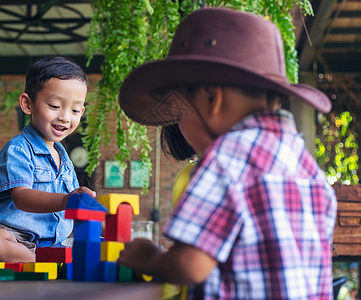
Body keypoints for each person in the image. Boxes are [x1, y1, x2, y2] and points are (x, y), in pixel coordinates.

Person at [117, 7, 337, 299]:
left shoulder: (225, 157)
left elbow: (191, 265)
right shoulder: (306, 165)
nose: (177, 123)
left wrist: (150, 258)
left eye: (179, 111)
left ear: (211, 99)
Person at [0, 57, 95, 264]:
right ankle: (44, 262)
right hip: (15, 237)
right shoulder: (18, 149)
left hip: (56, 242)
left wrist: (100, 216)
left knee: (105, 245)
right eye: (54, 106)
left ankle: (52, 260)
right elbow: (22, 197)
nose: (65, 117)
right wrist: (66, 200)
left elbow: (77, 212)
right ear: (27, 104)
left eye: (75, 110)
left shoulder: (65, 160)